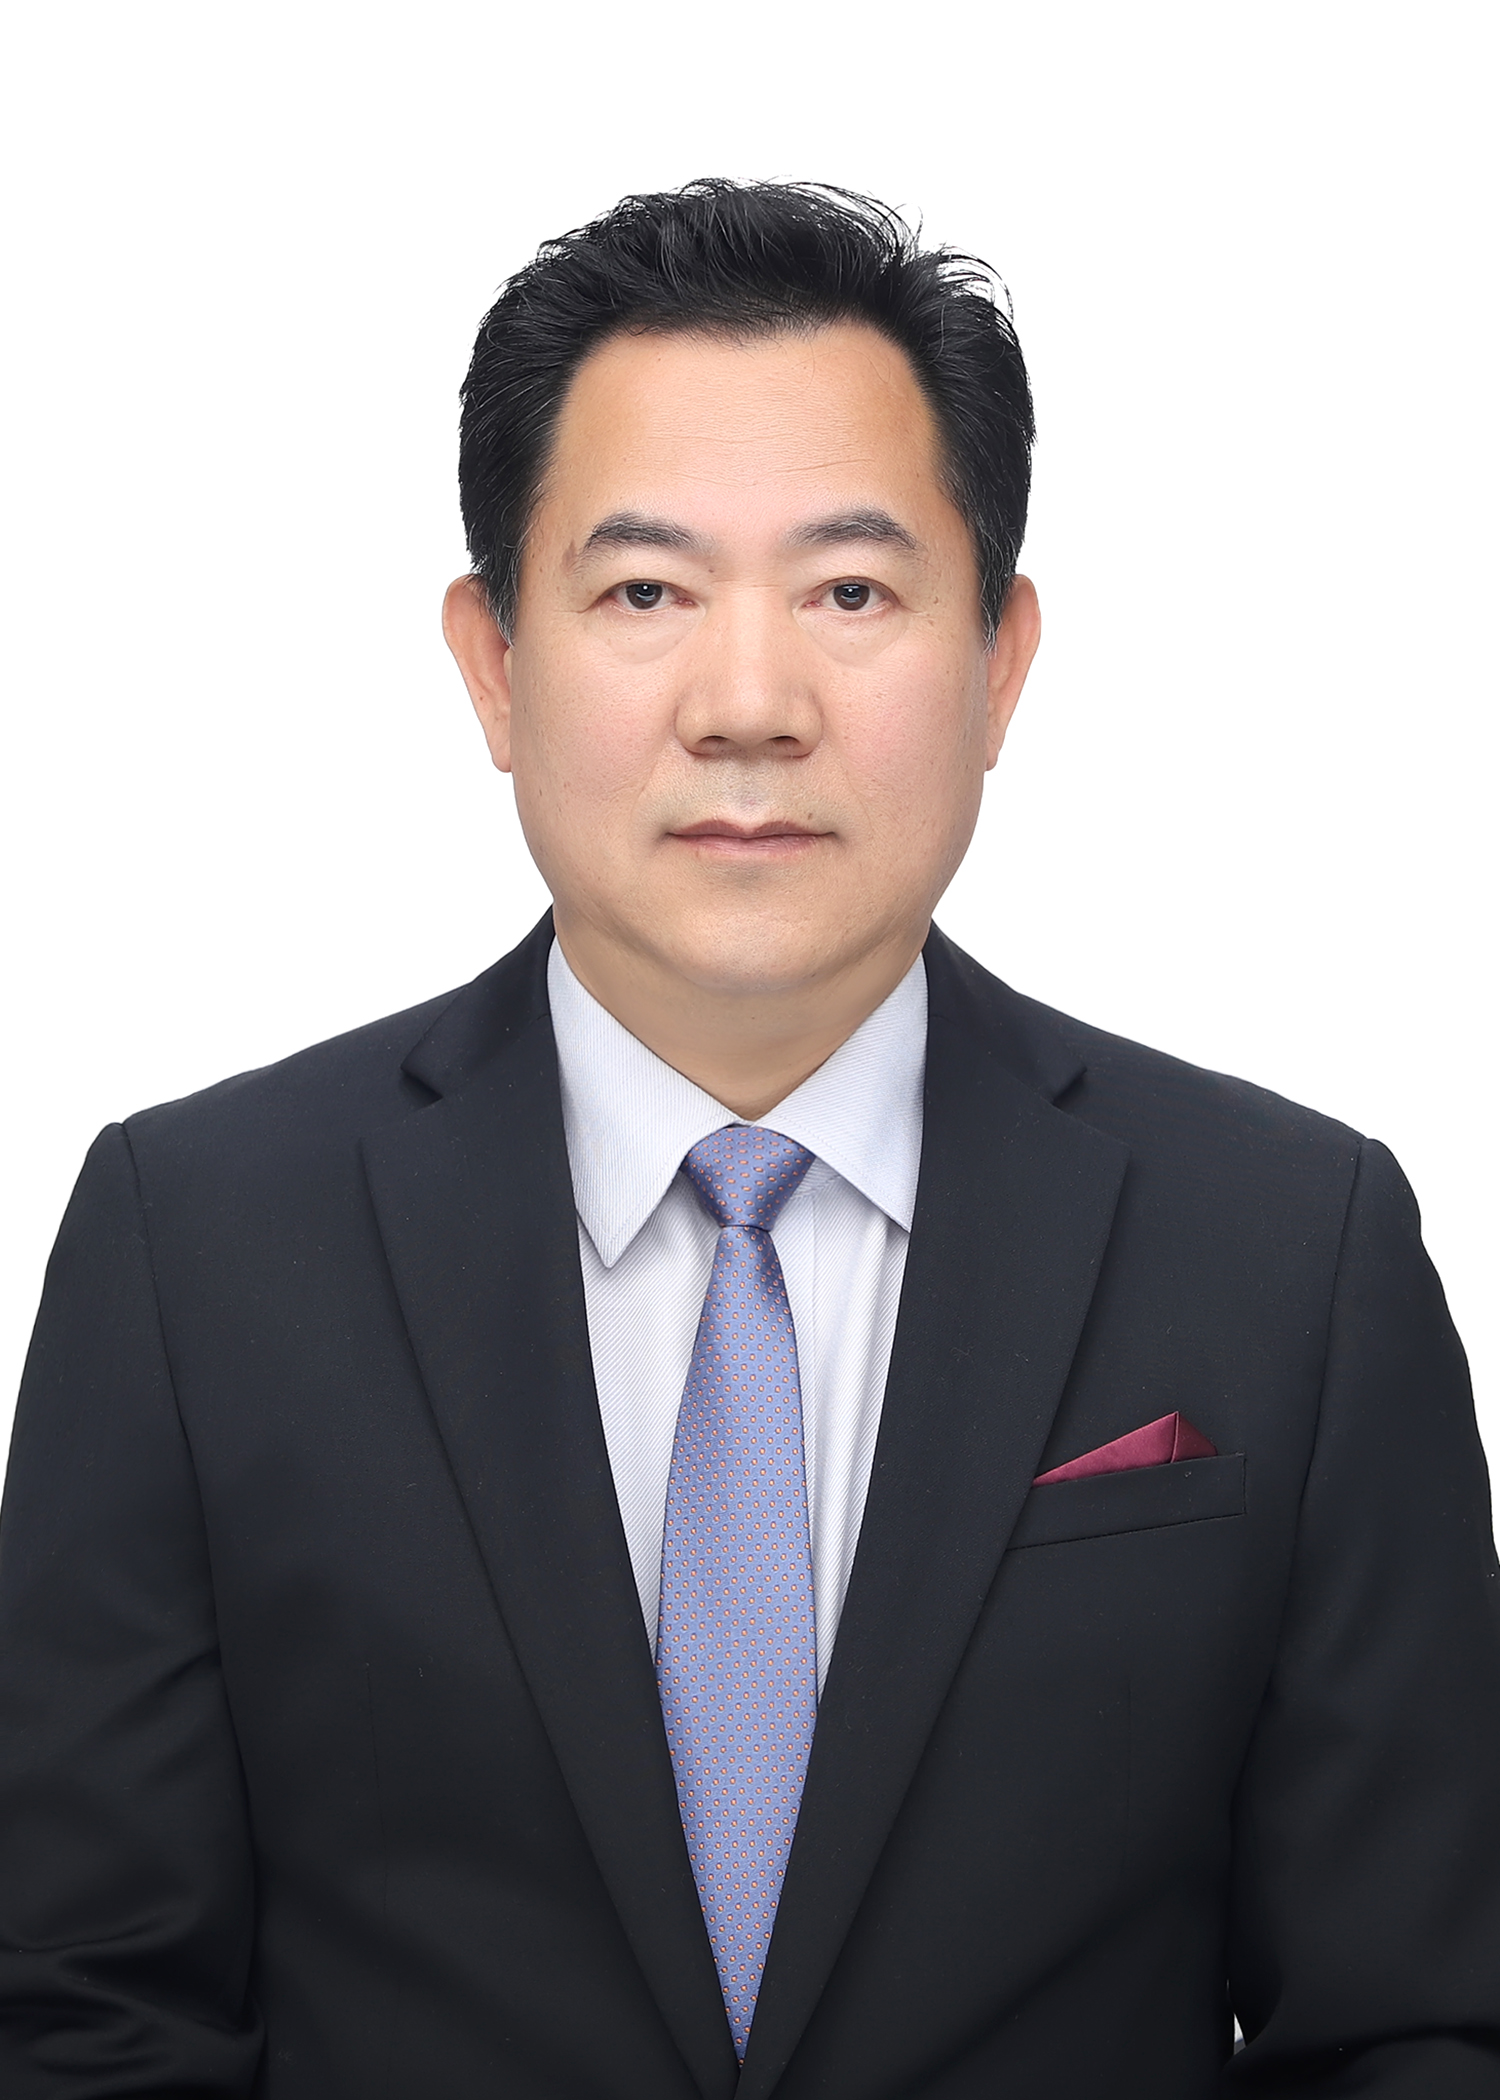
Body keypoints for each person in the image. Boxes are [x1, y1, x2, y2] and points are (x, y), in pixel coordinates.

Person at [1, 177, 1497, 2100]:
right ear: (493, 662)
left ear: (1000, 661)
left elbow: (1415, 2022)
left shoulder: (1292, 1250)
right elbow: (85, 2016)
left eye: (850, 592)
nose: (750, 705)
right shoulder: (195, 1250)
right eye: (645, 592)